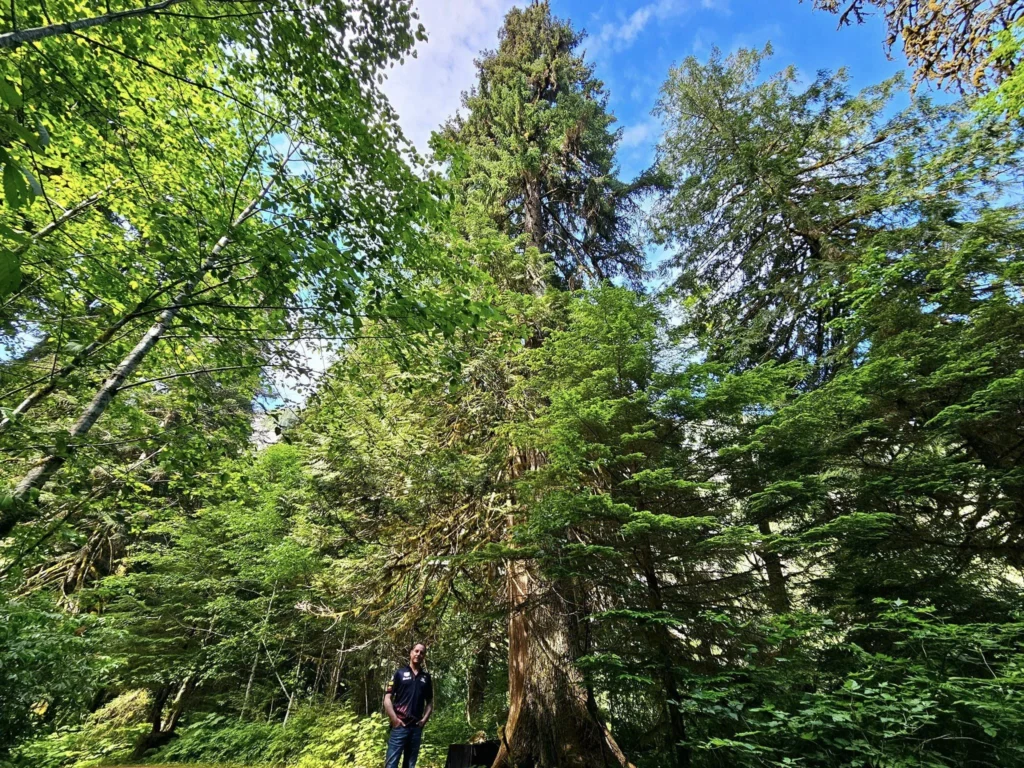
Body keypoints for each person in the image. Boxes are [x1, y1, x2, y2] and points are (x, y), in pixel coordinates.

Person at [383, 642, 433, 768]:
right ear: (411, 653)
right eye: (416, 651)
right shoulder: (399, 673)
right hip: (400, 727)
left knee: (410, 765)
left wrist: (423, 721)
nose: (418, 654)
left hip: (416, 728)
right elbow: (387, 698)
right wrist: (394, 719)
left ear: (424, 656)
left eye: (422, 652)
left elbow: (430, 702)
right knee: (391, 764)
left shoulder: (426, 678)